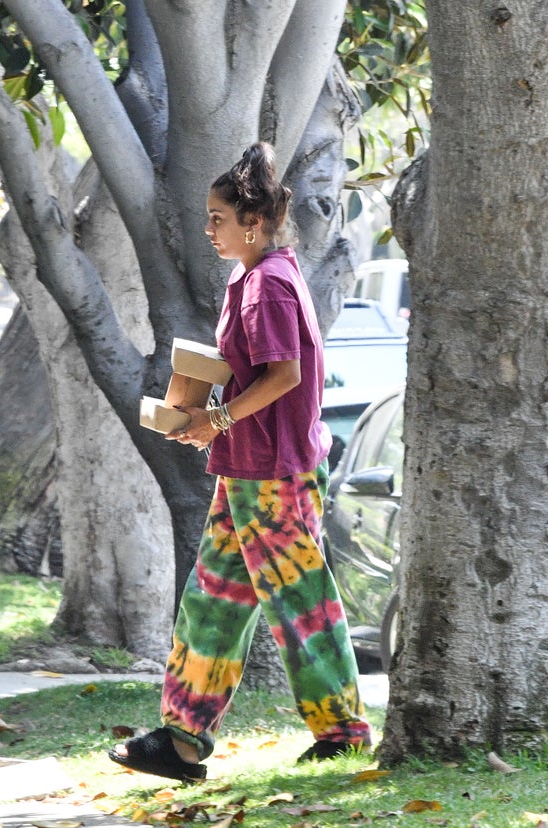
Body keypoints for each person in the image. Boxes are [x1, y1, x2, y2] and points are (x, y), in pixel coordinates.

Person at [109, 142, 372, 782]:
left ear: (253, 222)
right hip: (248, 470)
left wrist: (217, 419)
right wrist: (204, 411)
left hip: (274, 476)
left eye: (217, 218)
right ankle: (181, 742)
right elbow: (258, 371)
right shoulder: (254, 277)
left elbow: (285, 375)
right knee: (211, 604)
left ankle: (343, 734)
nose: (208, 229)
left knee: (303, 606)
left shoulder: (270, 287)